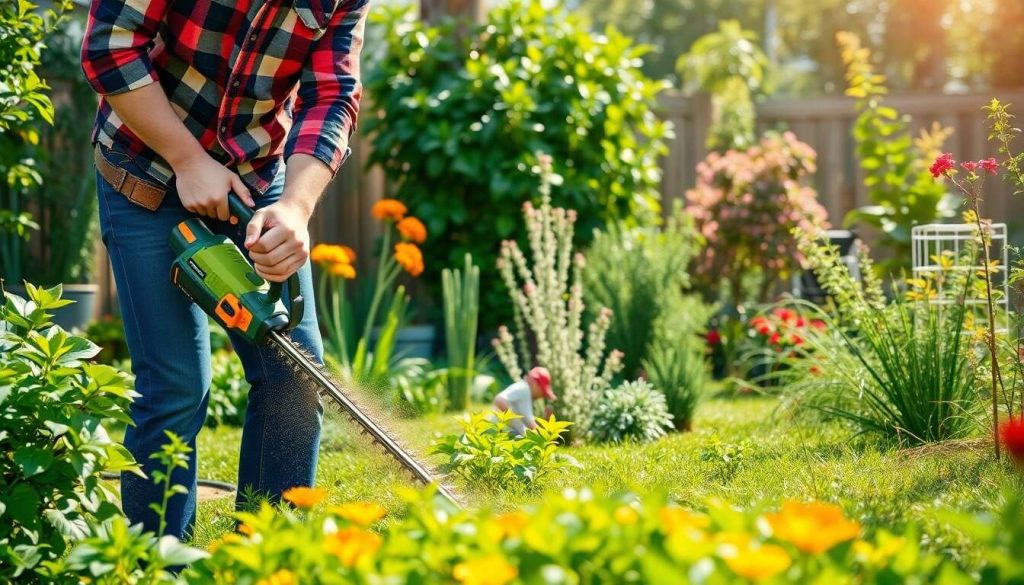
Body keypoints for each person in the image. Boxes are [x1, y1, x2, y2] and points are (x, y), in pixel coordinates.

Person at [80, 0, 369, 539]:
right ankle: (153, 567)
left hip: (256, 181)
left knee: (294, 378)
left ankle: (265, 557)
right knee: (175, 386)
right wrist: (189, 161)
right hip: (144, 167)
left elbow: (331, 94)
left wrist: (295, 209)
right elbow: (111, 45)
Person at [492, 367, 556, 436]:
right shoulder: (524, 388)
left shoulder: (525, 392)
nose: (541, 396)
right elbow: (499, 400)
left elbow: (529, 423)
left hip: (498, 434)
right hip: (494, 432)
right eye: (542, 391)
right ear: (534, 382)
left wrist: (546, 421)